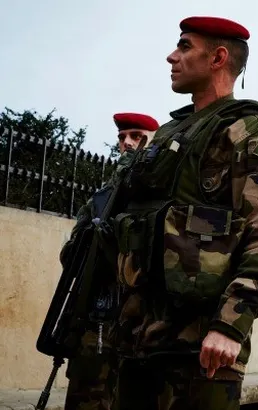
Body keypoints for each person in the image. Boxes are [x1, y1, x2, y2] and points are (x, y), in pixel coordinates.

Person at [110, 16, 258, 410]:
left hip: (202, 351)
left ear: (217, 58)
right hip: (137, 340)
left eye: (184, 47)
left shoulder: (250, 132)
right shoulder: (167, 135)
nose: (172, 56)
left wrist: (230, 325)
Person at [61, 112, 159, 410]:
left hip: (145, 325)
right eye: (122, 137)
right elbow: (71, 256)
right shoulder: (101, 199)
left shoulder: (161, 195)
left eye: (137, 136)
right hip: (100, 319)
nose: (127, 142)